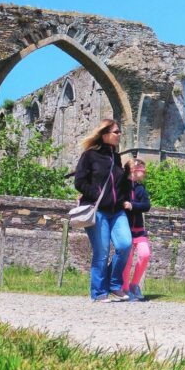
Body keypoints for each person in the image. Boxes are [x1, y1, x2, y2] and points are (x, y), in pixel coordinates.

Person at [74, 119, 131, 302]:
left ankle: (114, 285)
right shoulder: (89, 156)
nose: (119, 134)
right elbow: (80, 182)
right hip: (97, 210)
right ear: (105, 134)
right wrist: (97, 194)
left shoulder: (116, 157)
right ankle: (98, 292)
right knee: (102, 252)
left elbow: (119, 183)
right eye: (116, 132)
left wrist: (125, 195)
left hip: (117, 211)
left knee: (125, 245)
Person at [119, 158, 151, 301]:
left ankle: (134, 284)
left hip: (138, 229)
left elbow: (146, 206)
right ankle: (125, 289)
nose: (144, 173)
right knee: (128, 259)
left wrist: (133, 206)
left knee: (145, 254)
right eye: (142, 170)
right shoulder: (121, 186)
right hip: (125, 229)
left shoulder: (141, 188)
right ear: (134, 170)